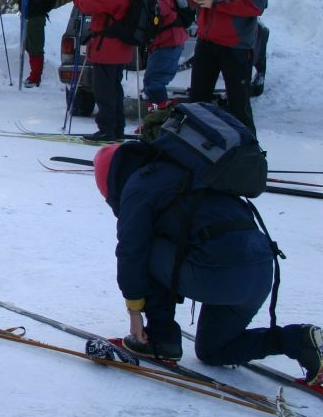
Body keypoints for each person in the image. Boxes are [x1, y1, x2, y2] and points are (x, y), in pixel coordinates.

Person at [94, 128, 322, 386]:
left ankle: (160, 338)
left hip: (219, 274)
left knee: (144, 247)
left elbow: (131, 252)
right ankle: (299, 340)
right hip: (260, 271)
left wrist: (135, 311)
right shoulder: (194, 169)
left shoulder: (140, 185)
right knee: (214, 350)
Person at [188, 0, 267, 134]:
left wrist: (216, 3)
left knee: (238, 104)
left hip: (235, 45)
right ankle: (196, 146)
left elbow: (257, 5)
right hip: (207, 41)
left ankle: (249, 149)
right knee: (197, 100)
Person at [72, 0, 140, 141]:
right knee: (114, 88)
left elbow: (89, 4)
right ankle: (116, 128)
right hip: (118, 45)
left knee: (104, 91)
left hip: (108, 46)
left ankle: (107, 130)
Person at [142, 0, 189, 109]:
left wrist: (143, 16)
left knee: (154, 83)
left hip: (168, 40)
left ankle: (161, 116)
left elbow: (161, 8)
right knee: (153, 82)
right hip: (168, 39)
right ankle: (157, 115)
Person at [22, 0, 57, 88]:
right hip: (30, 16)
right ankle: (33, 75)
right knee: (30, 46)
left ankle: (35, 77)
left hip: (36, 16)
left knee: (35, 47)